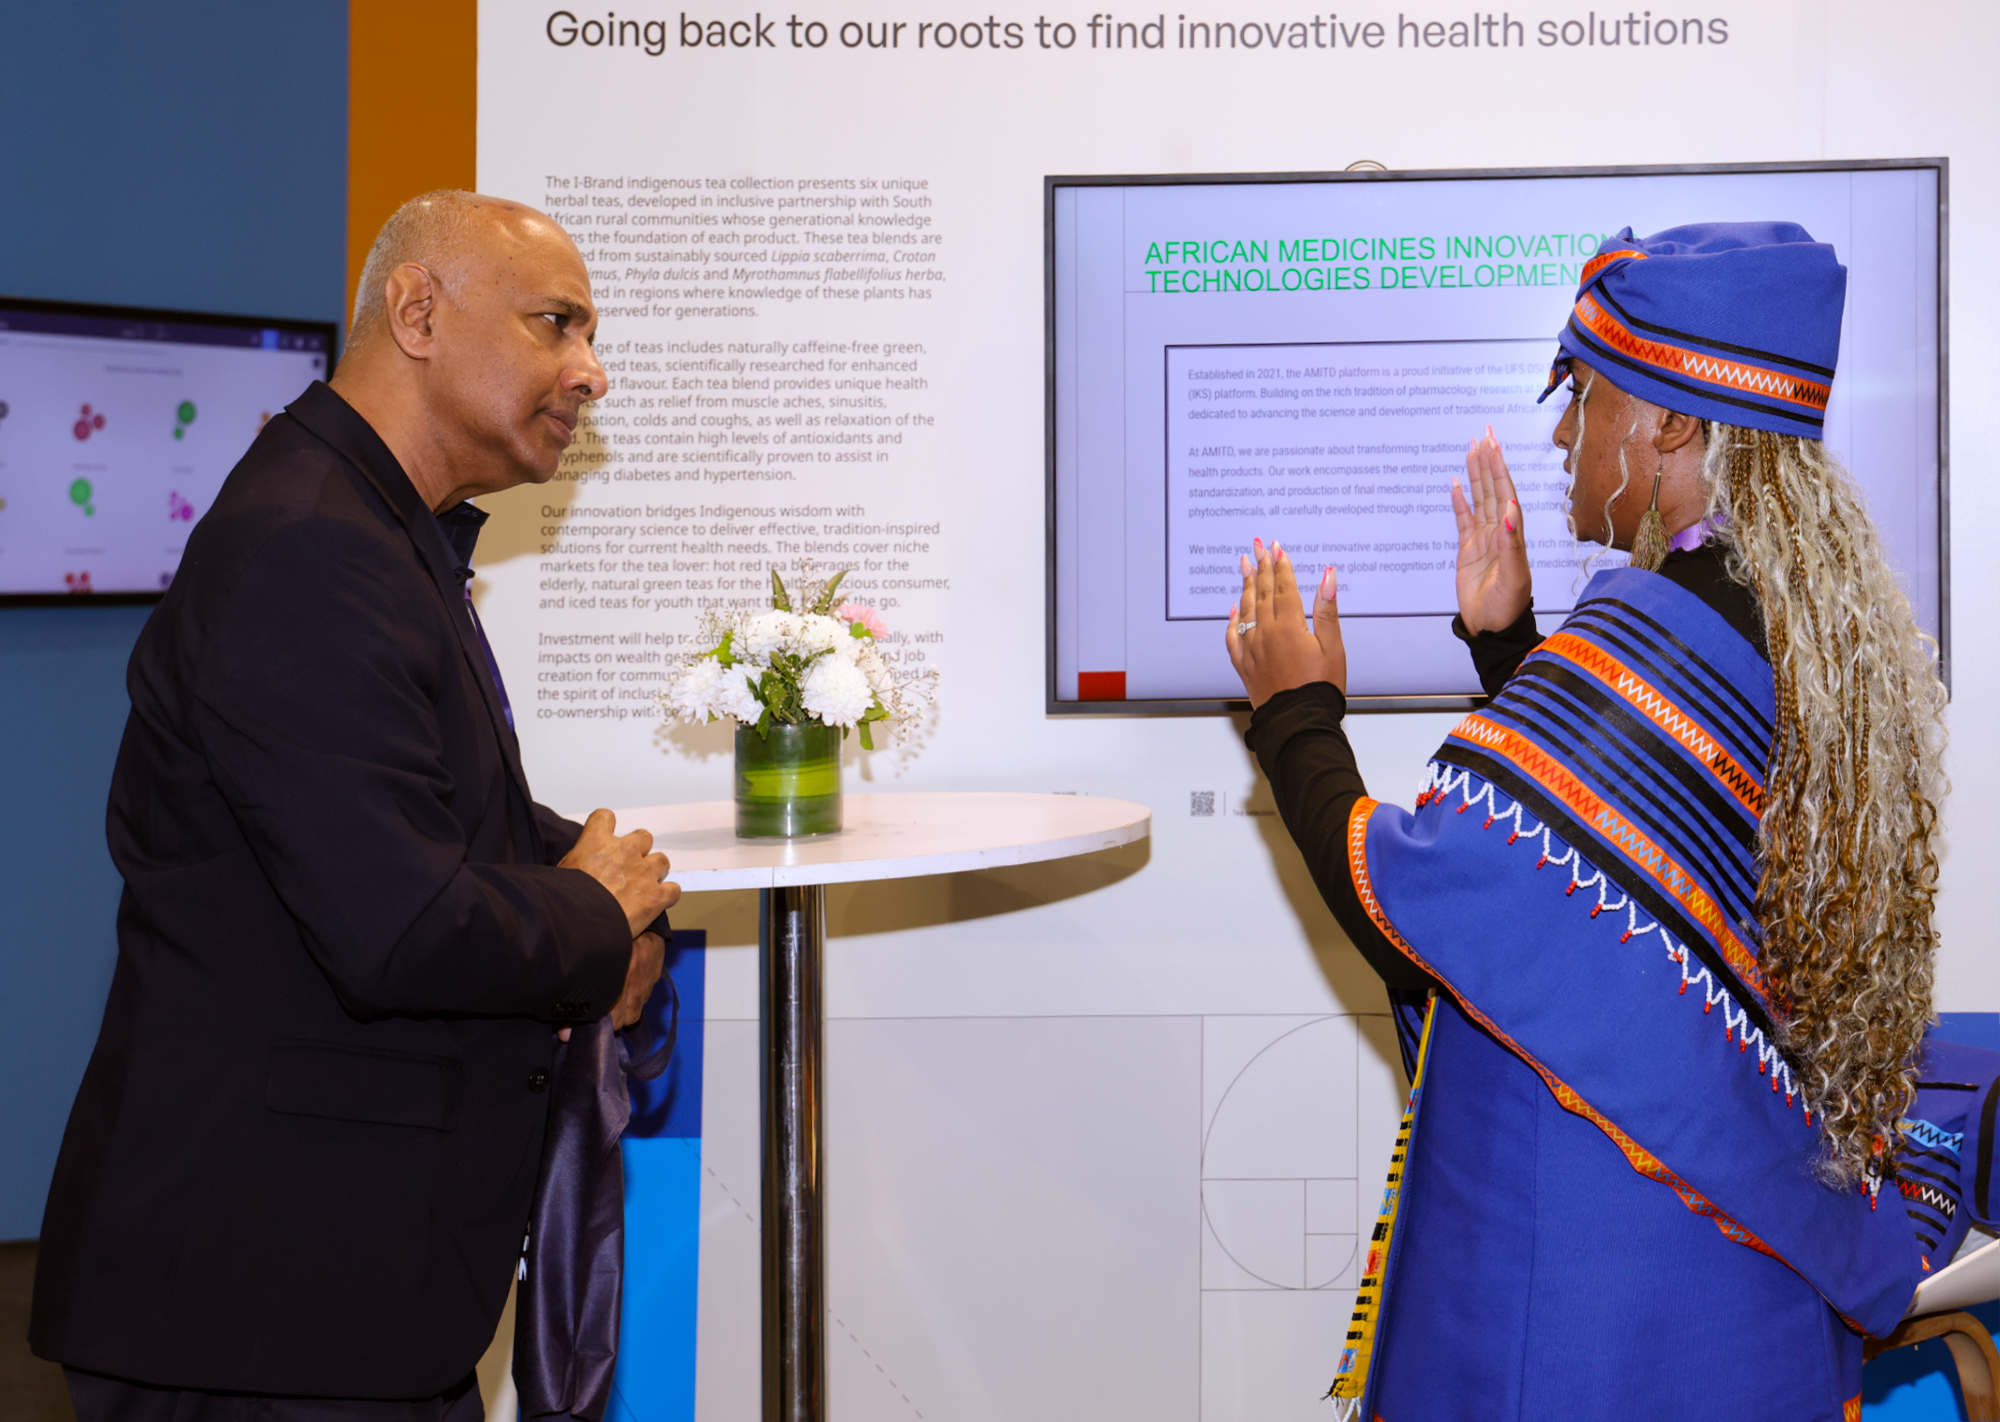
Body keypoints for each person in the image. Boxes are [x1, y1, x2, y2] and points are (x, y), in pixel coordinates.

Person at [1226, 224, 1957, 1419]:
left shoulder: (1653, 637)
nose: (1563, 434)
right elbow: (1614, 890)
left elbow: (1413, 907)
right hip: (1738, 1284)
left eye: (1581, 394)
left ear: (1668, 422)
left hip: (1591, 1284)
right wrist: (1508, 648)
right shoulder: (1793, 621)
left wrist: (1292, 711)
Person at [31, 191, 678, 1420]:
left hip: (323, 1299)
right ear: (416, 313)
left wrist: (598, 883)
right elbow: (398, 923)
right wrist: (596, 922)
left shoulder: (366, 528)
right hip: (258, 1309)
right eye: (555, 324)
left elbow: (412, 809)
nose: (590, 371)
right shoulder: (313, 545)